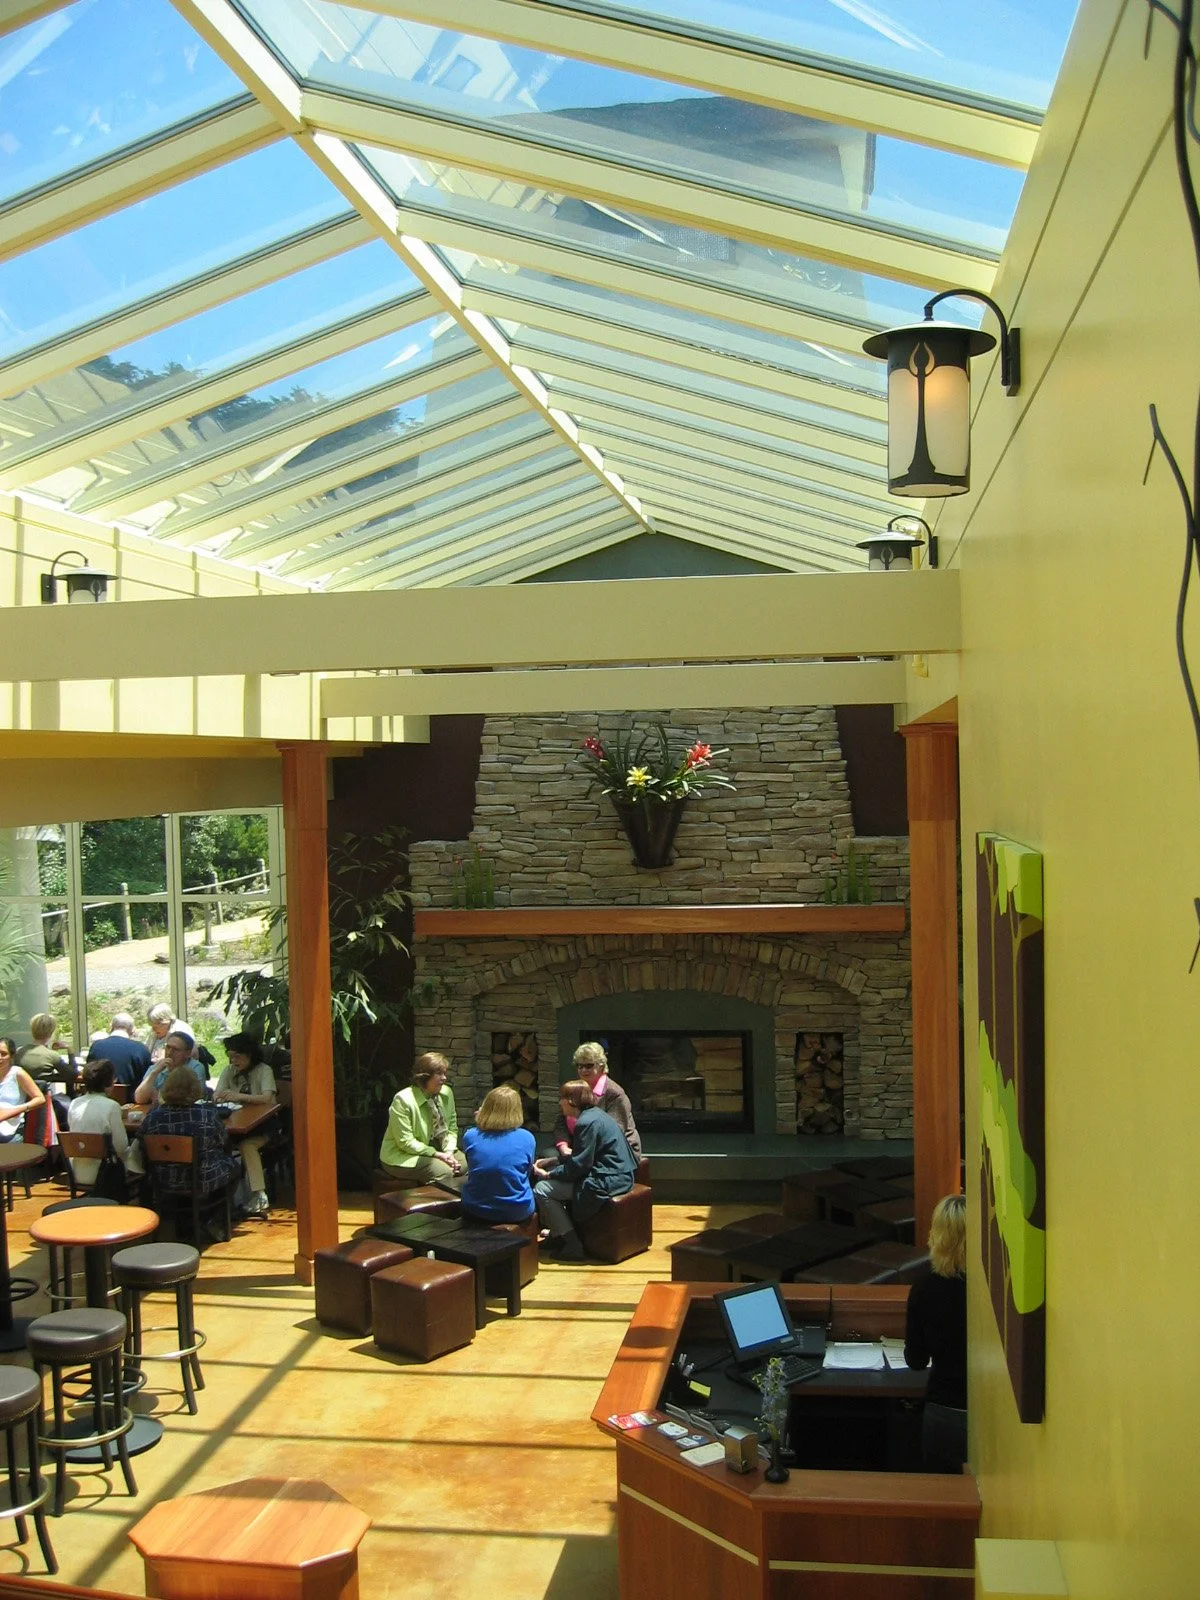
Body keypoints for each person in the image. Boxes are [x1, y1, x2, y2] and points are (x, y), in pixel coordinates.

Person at [533, 1080, 637, 1261]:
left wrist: (549, 1174)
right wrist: (553, 1160)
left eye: (562, 1098)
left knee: (542, 1189)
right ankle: (557, 1236)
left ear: (572, 1101)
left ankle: (572, 1245)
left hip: (607, 1180)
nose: (560, 1103)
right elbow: (586, 1155)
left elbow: (580, 1166)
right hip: (619, 1174)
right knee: (553, 1176)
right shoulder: (597, 1115)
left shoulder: (585, 1123)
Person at [905, 1193, 968, 1474]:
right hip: (992, 1411)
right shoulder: (991, 1291)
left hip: (944, 1410)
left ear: (937, 1234)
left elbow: (916, 1360)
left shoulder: (924, 1288)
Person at [140, 1064, 240, 1215]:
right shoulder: (206, 1115)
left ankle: (178, 1215)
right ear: (195, 1089)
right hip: (202, 1179)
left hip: (163, 1180)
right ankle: (216, 1215)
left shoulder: (154, 1117)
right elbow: (222, 1140)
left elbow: (142, 1142)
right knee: (235, 1167)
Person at [215, 1032, 276, 1218]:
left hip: (263, 1125)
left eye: (238, 1056)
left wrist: (238, 1096)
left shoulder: (264, 1070)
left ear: (250, 1054)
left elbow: (267, 1097)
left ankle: (259, 1195)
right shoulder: (229, 1071)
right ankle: (220, 1198)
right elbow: (217, 1094)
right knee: (217, 1143)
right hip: (237, 1123)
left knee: (247, 1145)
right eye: (230, 1056)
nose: (233, 1061)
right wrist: (221, 1097)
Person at [379, 1053, 464, 1185]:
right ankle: (440, 1205)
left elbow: (452, 1127)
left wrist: (449, 1151)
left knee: (467, 1165)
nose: (444, 1078)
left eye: (444, 1073)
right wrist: (437, 1155)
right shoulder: (403, 1100)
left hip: (440, 1148)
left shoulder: (446, 1093)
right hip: (403, 1155)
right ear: (424, 1077)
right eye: (439, 1074)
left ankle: (462, 1203)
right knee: (444, 1171)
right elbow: (405, 1142)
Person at [551, 1041, 641, 1161]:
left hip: (615, 1150)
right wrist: (563, 1146)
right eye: (579, 1066)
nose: (583, 1070)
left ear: (601, 1066)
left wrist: (581, 1152)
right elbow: (560, 1122)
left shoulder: (615, 1094)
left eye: (588, 1066)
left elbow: (613, 1132)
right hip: (580, 1146)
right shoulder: (575, 1089)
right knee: (547, 1155)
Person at [460, 1085, 535, 1225]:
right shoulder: (527, 1137)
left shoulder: (470, 1136)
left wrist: (480, 1121)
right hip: (518, 1211)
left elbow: (474, 1167)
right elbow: (527, 1171)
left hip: (477, 1211)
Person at [66, 1058, 131, 1190]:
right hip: (105, 1173)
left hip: (77, 1170)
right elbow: (121, 1147)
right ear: (109, 1082)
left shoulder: (74, 1104)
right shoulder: (112, 1106)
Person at [134, 1030, 208, 1108]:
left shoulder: (195, 1067)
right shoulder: (157, 1067)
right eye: (168, 1047)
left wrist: (173, 1072)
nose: (169, 1052)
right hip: (159, 1113)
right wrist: (154, 1073)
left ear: (188, 1053)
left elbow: (195, 1097)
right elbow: (139, 1099)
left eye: (175, 1049)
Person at [85, 1012, 151, 1091]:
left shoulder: (96, 1046)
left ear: (112, 1027)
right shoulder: (141, 1049)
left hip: (99, 1096)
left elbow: (89, 1072)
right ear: (132, 1030)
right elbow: (146, 1079)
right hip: (132, 1100)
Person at [0, 1037, 45, 1143]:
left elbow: (40, 1099)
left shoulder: (17, 1073)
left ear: (11, 1056)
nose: (0, 1057)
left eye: (3, 1054)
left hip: (11, 1129)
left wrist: (16, 1110)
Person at [15, 1013, 66, 1089]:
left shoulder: (19, 1052)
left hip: (22, 1096)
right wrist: (70, 1050)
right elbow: (72, 1074)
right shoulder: (52, 1055)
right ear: (51, 1032)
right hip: (44, 1096)